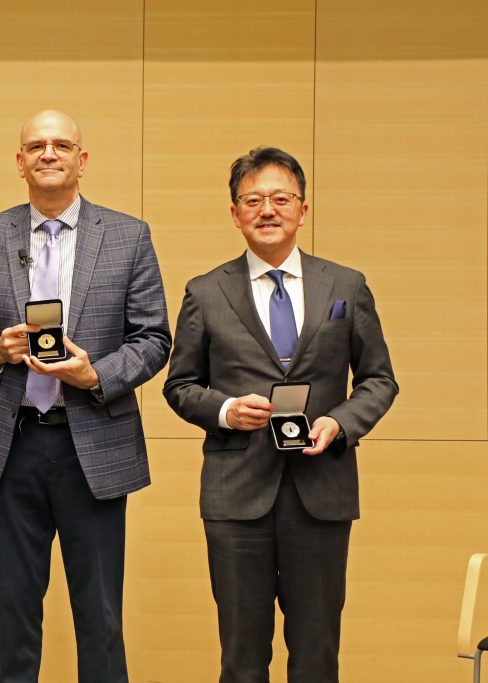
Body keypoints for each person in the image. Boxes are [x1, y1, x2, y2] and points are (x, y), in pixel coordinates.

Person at [163, 146, 398, 682]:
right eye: (253, 200)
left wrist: (340, 422)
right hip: (236, 494)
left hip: (321, 491)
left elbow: (380, 380)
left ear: (303, 209)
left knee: (316, 652)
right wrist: (224, 409)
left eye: (280, 198)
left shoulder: (346, 285)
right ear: (235, 213)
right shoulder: (205, 291)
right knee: (242, 655)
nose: (267, 210)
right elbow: (179, 386)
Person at [0, 109, 171, 682]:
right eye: (36, 145)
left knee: (100, 616)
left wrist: (96, 376)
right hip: (13, 443)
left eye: (61, 145)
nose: (48, 154)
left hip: (94, 447)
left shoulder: (129, 235)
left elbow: (154, 337)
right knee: (16, 616)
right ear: (20, 162)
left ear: (82, 159)